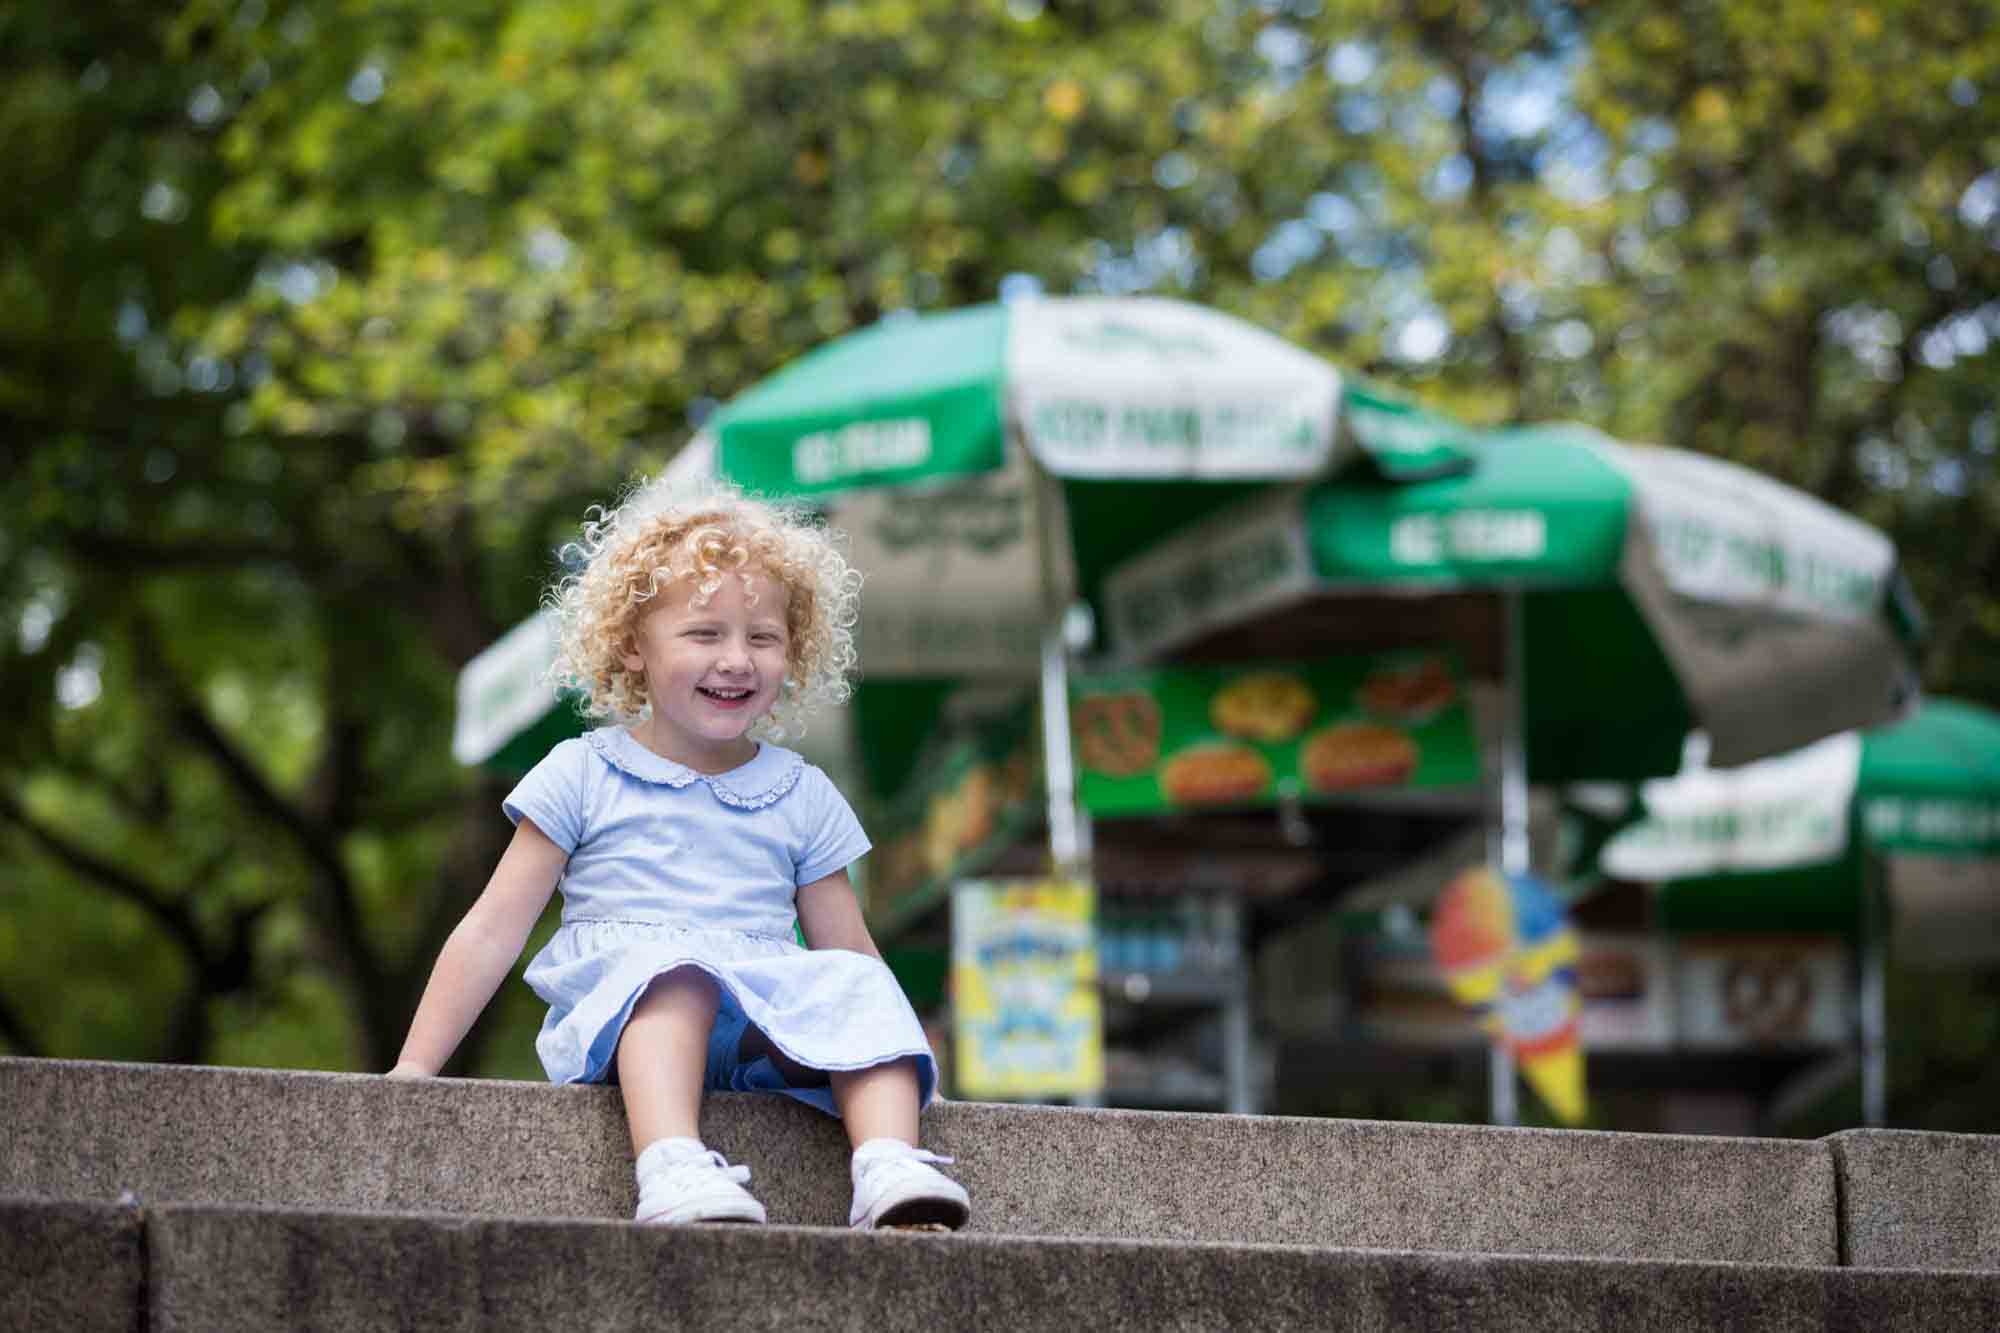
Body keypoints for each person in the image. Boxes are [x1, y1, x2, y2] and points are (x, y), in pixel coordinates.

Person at [388, 478, 969, 1231]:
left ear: (793, 651)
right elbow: (492, 927)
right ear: (632, 644)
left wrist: (897, 1049)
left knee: (855, 984)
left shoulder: (800, 791)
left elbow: (849, 949)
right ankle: (670, 1162)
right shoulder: (583, 772)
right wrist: (414, 1067)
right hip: (630, 1016)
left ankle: (889, 1162)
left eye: (762, 637)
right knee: (678, 978)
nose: (736, 659)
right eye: (705, 634)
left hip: (766, 1025)